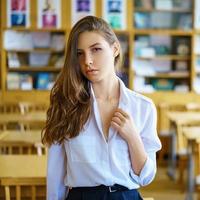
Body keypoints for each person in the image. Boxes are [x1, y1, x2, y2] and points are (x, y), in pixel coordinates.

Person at [42, 15, 161, 200]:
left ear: (115, 49)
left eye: (96, 49)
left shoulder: (143, 107)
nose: (87, 60)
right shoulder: (66, 104)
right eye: (80, 53)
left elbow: (145, 177)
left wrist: (132, 137)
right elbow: (55, 174)